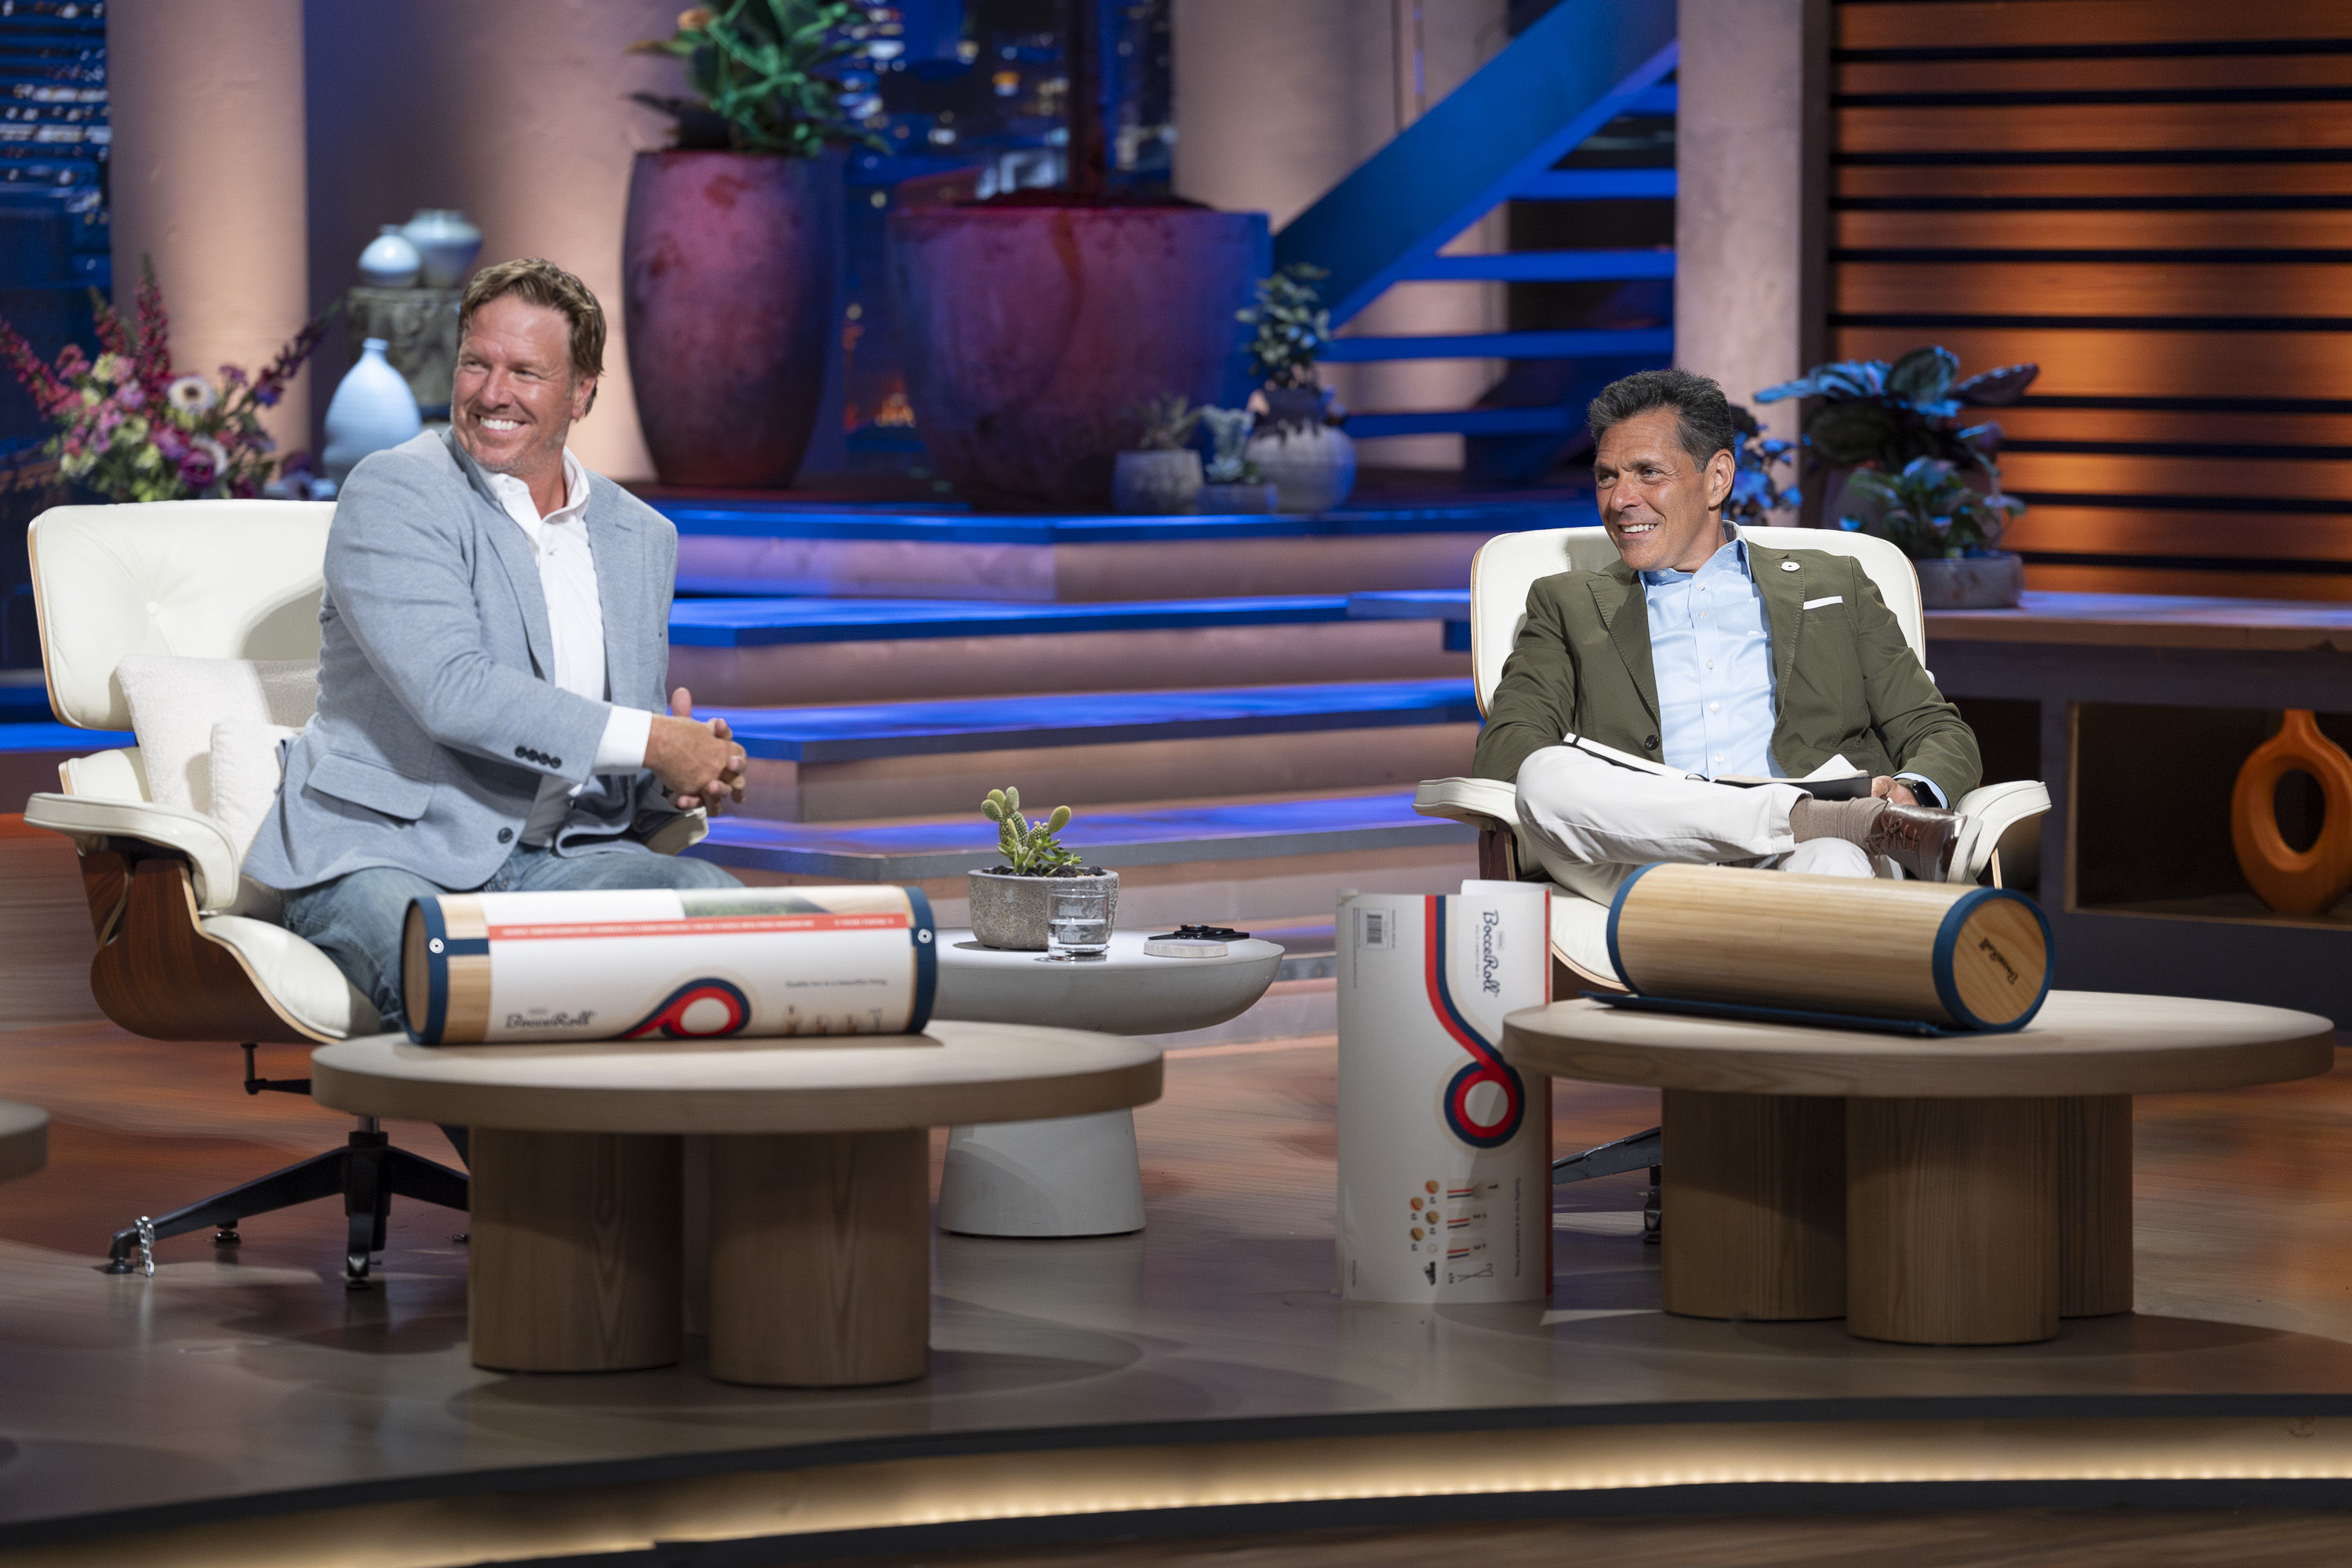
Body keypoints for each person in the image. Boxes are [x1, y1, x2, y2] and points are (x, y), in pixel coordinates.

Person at [245, 257, 747, 1029]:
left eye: (525, 372)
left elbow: (612, 749)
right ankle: (537, 1121)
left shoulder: (641, 537)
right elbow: (455, 690)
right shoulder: (396, 491)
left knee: (723, 911)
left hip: (565, 861)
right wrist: (653, 740)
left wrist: (680, 773)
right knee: (455, 971)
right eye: (476, 363)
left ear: (582, 391)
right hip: (386, 852)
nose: (491, 393)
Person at [1472, 368, 1984, 913]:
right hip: (1649, 859)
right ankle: (1812, 817)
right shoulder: (1566, 603)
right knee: (1543, 776)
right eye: (1606, 477)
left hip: (1808, 856)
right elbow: (1506, 751)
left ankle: (1822, 829)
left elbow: (1935, 729)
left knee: (1835, 861)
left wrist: (1910, 793)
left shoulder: (1834, 584)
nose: (1620, 499)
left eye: (1648, 473)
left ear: (1718, 478)